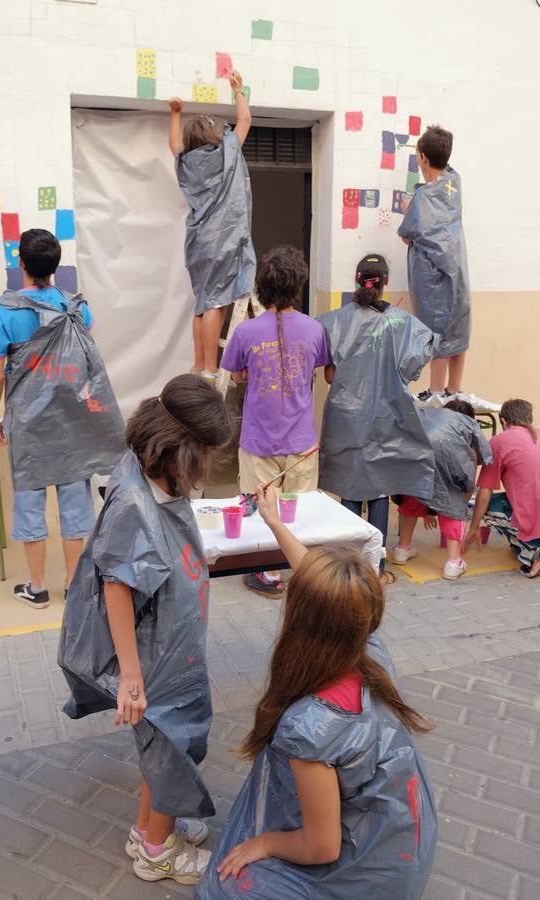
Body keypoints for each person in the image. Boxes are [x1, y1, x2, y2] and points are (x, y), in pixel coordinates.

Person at [196, 484, 437, 900]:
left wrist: (265, 843)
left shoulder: (310, 726)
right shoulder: (369, 649)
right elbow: (327, 591)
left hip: (372, 872)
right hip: (407, 837)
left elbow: (322, 846)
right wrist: (273, 521)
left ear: (299, 618)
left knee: (223, 886)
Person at [58, 374, 232, 885]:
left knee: (163, 748)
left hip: (171, 643)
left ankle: (146, 829)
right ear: (183, 450)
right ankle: (157, 851)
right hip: (155, 656)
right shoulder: (135, 504)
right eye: (208, 455)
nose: (210, 466)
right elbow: (117, 584)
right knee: (173, 743)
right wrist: (131, 676)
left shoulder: (152, 475)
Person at [0, 229, 125, 609]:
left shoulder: (3, 312)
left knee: (29, 499)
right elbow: (83, 352)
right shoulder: (75, 306)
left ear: (21, 264)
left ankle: (37, 586)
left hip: (28, 423)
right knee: (75, 501)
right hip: (73, 418)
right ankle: (74, 586)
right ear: (56, 266)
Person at [318, 254, 438, 585]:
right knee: (380, 488)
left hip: (346, 417)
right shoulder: (401, 321)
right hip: (386, 415)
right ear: (384, 283)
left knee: (350, 488)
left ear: (357, 281)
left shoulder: (336, 320)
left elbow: (330, 375)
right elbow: (421, 353)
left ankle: (346, 567)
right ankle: (377, 569)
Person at [221, 245, 329, 597]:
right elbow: (317, 369)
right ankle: (302, 571)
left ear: (262, 285)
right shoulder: (315, 329)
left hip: (258, 440)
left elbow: (236, 375)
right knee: (299, 513)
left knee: (261, 510)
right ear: (298, 284)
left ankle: (266, 573)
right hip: (301, 441)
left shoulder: (245, 332)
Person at [169, 70, 256, 381]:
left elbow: (173, 145)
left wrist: (175, 114)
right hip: (223, 240)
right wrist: (238, 91)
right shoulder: (226, 153)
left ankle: (197, 362)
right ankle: (209, 367)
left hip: (197, 242)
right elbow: (244, 121)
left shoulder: (186, 163)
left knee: (202, 302)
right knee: (216, 301)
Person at [398, 125, 471, 407]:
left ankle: (437, 390)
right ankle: (454, 387)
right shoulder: (455, 182)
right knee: (459, 324)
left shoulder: (422, 199)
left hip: (433, 273)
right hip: (457, 266)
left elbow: (407, 235)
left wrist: (409, 208)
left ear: (423, 158)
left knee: (437, 327)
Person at [393, 399, 492, 580]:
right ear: (470, 418)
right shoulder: (466, 427)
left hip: (412, 451)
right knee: (453, 500)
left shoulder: (431, 416)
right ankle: (453, 563)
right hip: (446, 453)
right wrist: (460, 502)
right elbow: (466, 484)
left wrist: (430, 510)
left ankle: (402, 549)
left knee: (413, 492)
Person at [463, 399, 540, 577]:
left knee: (484, 506)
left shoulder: (499, 442)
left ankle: (532, 553)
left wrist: (473, 528)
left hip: (534, 513)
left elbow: (485, 492)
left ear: (503, 421)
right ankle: (523, 543)